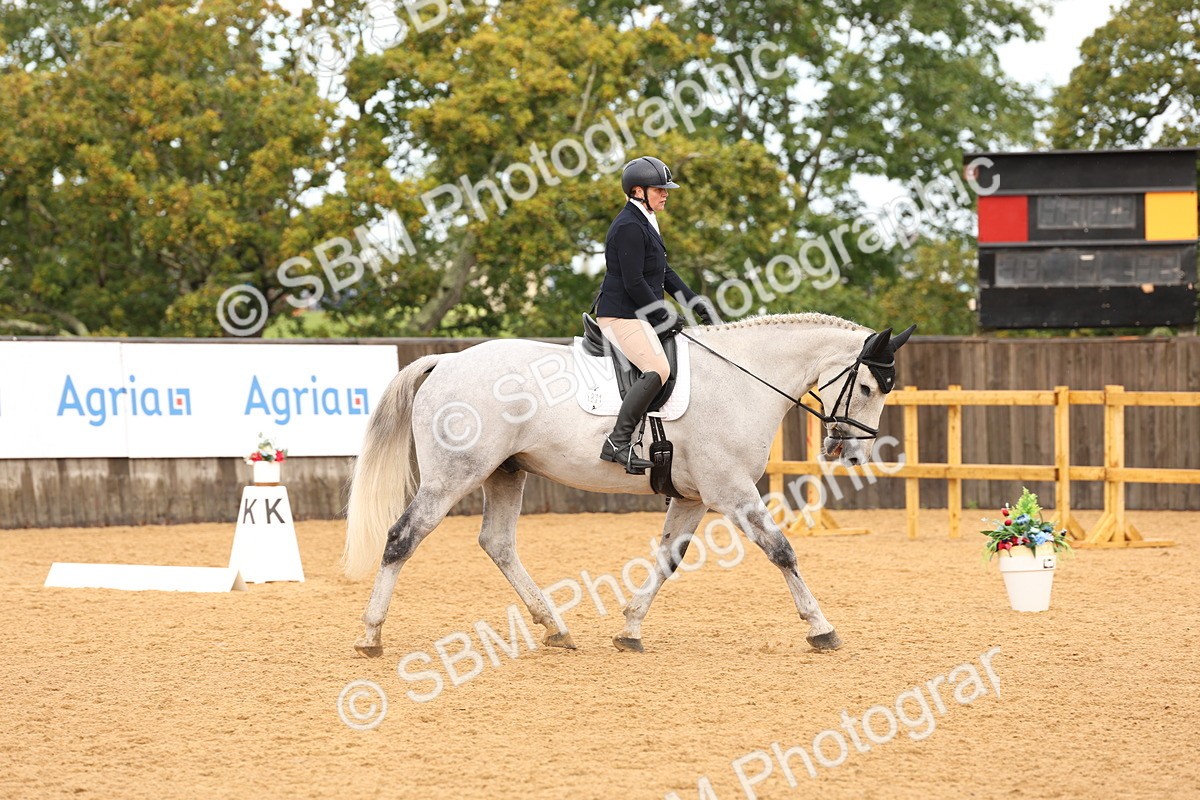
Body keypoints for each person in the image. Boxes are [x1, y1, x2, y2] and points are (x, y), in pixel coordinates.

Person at [594, 156, 718, 475]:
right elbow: (635, 281)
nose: (665, 194)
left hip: (637, 313)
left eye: (666, 189)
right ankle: (618, 441)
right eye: (659, 189)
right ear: (638, 191)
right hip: (620, 315)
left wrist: (694, 303)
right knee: (657, 368)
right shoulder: (628, 227)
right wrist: (661, 313)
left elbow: (664, 273)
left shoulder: (646, 219)